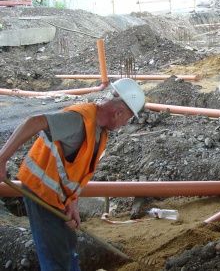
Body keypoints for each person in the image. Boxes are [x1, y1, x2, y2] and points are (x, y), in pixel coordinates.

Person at [0, 78, 145, 271]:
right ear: (118, 112)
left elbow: (75, 172)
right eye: (127, 118)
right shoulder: (78, 120)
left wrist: (73, 202)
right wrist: (2, 159)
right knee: (55, 257)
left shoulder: (99, 130)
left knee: (67, 245)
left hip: (58, 196)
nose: (125, 124)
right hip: (40, 192)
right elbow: (33, 122)